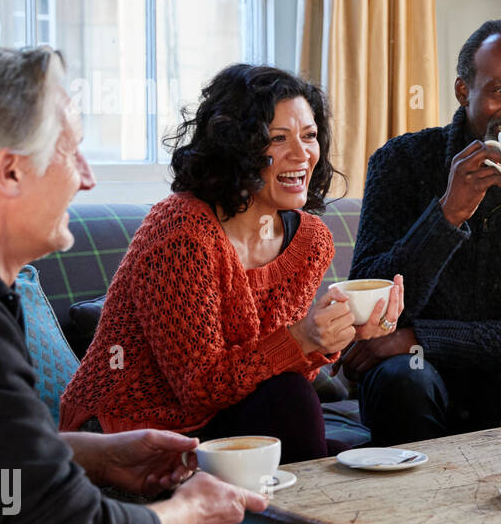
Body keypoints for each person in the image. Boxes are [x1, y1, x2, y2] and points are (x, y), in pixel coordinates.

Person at [0, 45, 301, 524]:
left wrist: (91, 455)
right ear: (8, 172)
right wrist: (185, 512)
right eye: (69, 151)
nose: (88, 176)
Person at [60, 64, 403, 463]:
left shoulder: (310, 241)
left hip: (221, 418)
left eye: (309, 136)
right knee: (300, 415)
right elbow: (201, 387)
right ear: (236, 148)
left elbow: (275, 375)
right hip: (123, 431)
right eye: (278, 139)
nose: (301, 154)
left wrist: (338, 336)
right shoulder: (182, 233)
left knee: (302, 410)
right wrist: (304, 338)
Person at [346, 20, 501, 444]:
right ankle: (412, 510)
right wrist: (446, 215)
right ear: (464, 91)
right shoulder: (401, 163)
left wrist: (420, 338)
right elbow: (372, 300)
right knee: (405, 379)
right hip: (414, 376)